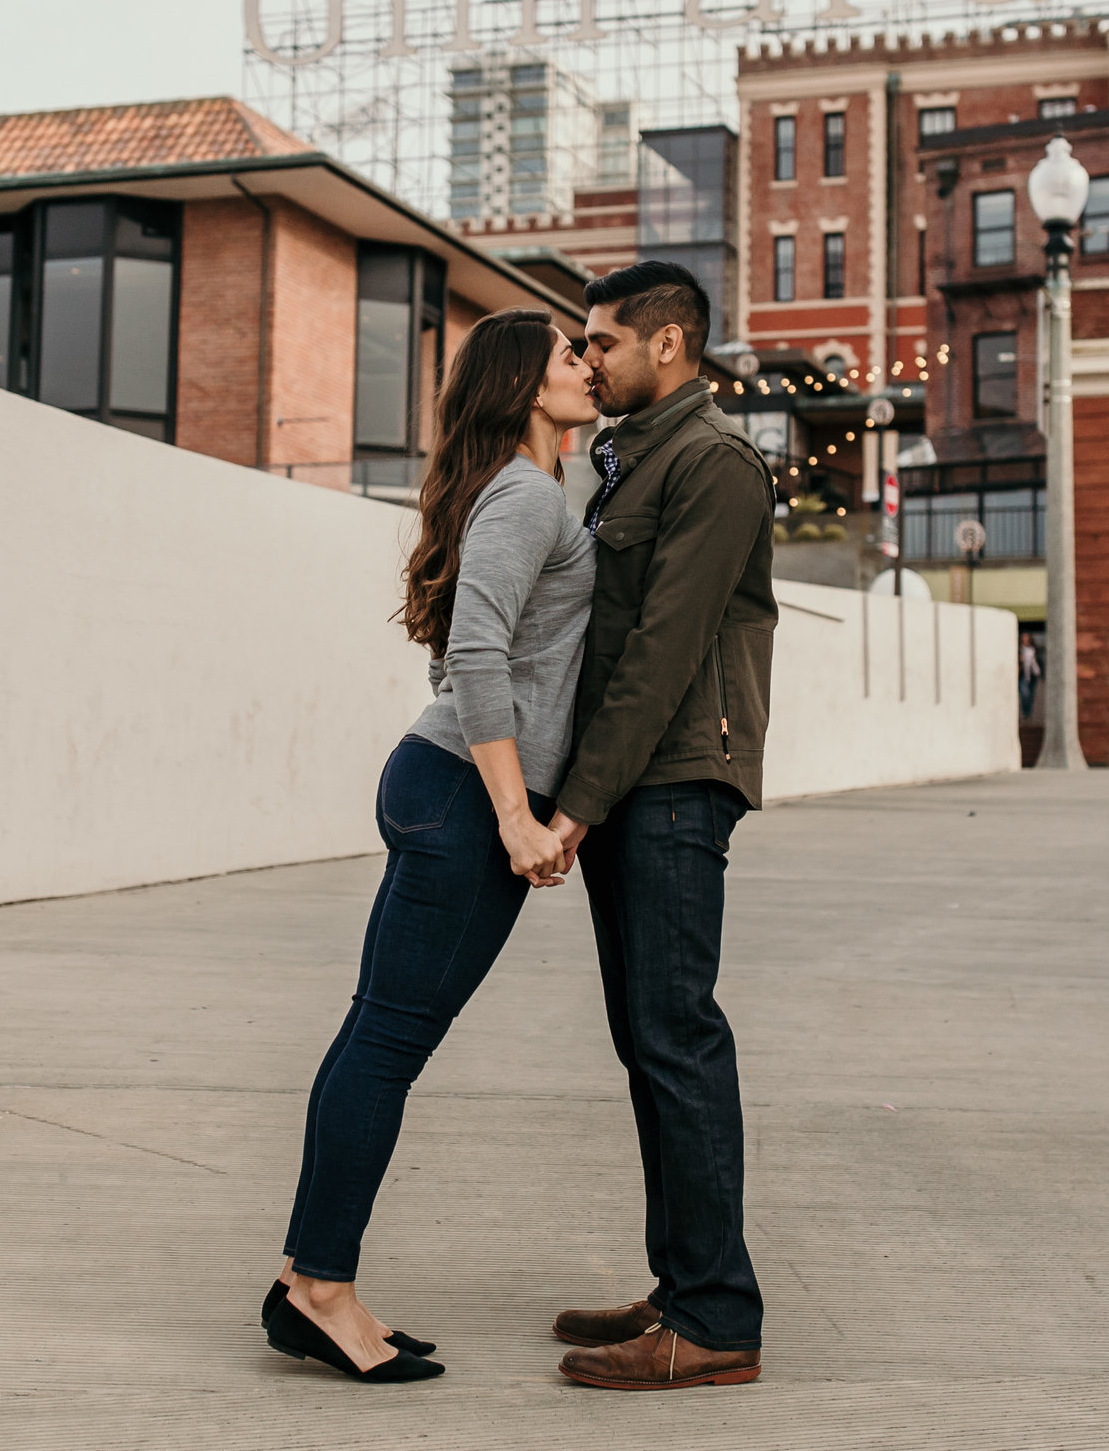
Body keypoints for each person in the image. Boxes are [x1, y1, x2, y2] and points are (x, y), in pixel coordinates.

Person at [264, 309, 599, 1383]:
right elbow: (476, 649)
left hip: (444, 782)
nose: (586, 365)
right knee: (388, 1043)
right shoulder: (527, 495)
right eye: (566, 356)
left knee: (374, 1032)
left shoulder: (516, 489)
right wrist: (513, 812)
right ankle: (320, 1286)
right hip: (462, 796)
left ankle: (303, 1278)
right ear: (521, 384)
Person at [541, 261, 777, 1392]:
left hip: (677, 780)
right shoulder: (630, 456)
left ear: (669, 344)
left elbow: (663, 652)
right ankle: (683, 1277)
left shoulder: (714, 463)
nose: (587, 361)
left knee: (676, 1036)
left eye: (601, 344)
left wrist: (575, 803)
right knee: (648, 1041)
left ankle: (715, 1317)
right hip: (637, 782)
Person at [1018, 632, 1043, 719]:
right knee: (1025, 694)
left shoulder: (1034, 649)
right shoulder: (1019, 649)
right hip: (1022, 674)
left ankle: (1028, 713)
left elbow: (1039, 661)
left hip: (1032, 675)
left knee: (1031, 695)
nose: (1025, 639)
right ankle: (1025, 711)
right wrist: (1020, 659)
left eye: (1027, 637)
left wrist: (1041, 673)